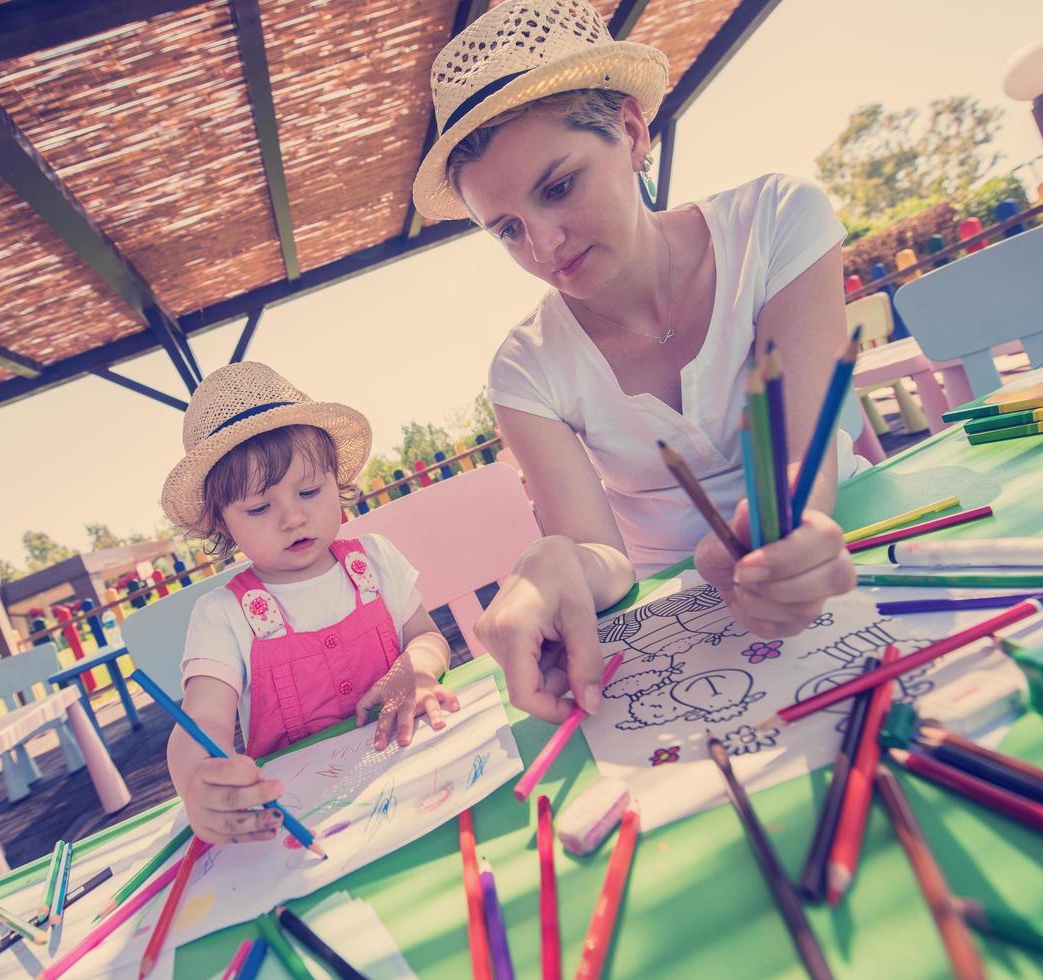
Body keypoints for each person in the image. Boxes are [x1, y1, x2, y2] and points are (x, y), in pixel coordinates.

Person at [410, 0, 858, 724]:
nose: (544, 247)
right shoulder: (524, 369)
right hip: (673, 629)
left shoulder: (777, 220)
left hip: (847, 548)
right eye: (507, 230)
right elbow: (602, 555)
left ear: (629, 129)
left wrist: (777, 538)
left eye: (558, 187)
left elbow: (800, 464)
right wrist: (558, 567)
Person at [160, 362, 458, 845]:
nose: (293, 517)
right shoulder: (223, 616)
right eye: (259, 508)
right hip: (303, 825)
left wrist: (417, 668)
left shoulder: (375, 561)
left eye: (310, 491)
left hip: (419, 772)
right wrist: (198, 780)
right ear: (222, 523)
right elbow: (203, 719)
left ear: (335, 481)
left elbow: (425, 635)